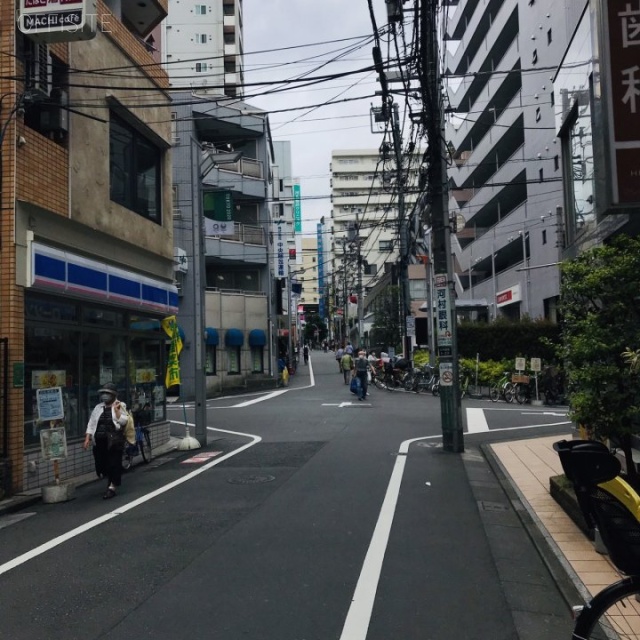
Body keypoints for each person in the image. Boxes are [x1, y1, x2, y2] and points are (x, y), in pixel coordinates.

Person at [83, 382, 130, 499]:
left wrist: (117, 411)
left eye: (107, 393)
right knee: (101, 464)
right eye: (103, 393)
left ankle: (112, 487)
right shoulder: (98, 407)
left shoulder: (120, 405)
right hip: (99, 440)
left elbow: (124, 421)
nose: (105, 395)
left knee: (114, 463)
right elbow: (92, 422)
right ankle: (108, 478)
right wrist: (87, 437)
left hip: (114, 441)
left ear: (113, 395)